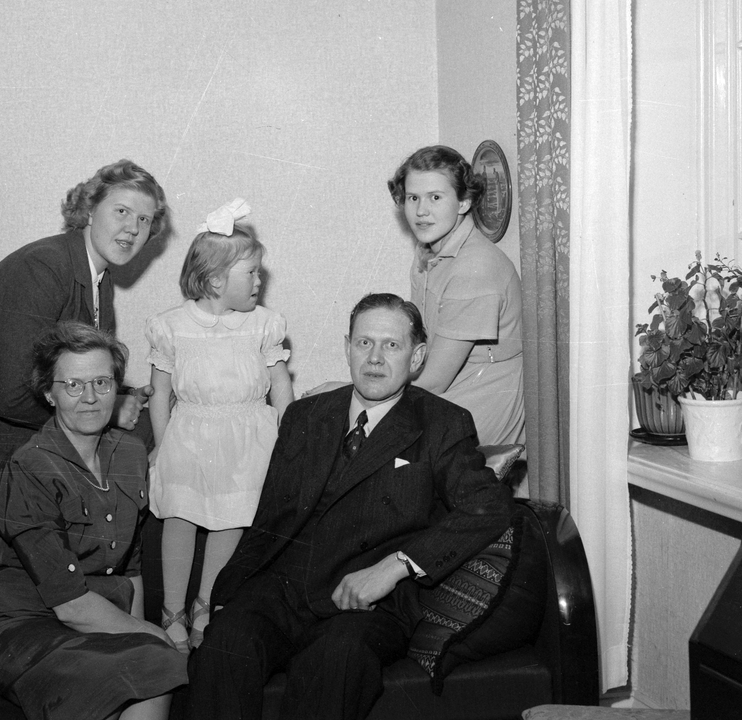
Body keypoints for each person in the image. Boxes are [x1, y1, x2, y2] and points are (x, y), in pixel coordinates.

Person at [184, 293, 514, 720]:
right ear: (347, 348)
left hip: (367, 602)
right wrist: (227, 594)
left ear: (416, 357)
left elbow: (489, 506)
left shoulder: (442, 423)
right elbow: (271, 517)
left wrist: (396, 566)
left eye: (391, 345)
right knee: (225, 641)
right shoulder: (305, 415)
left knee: (335, 659)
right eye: (364, 343)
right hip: (284, 590)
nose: (374, 358)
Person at [0, 322, 188, 720]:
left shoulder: (131, 453)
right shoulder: (30, 467)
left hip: (93, 622)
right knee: (138, 662)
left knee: (154, 662)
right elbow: (70, 605)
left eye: (102, 382)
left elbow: (130, 567)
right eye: (73, 385)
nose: (90, 398)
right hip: (15, 628)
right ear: (50, 393)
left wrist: (142, 637)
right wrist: (154, 635)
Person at [0, 160, 169, 473]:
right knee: (141, 449)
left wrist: (123, 395)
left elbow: (74, 369)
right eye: (122, 211)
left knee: (163, 427)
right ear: (90, 209)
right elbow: (12, 396)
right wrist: (108, 412)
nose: (134, 228)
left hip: (43, 424)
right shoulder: (41, 267)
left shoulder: (100, 276)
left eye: (144, 219)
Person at [145, 199, 294, 654]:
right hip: (189, 435)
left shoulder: (264, 325)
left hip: (247, 438)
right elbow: (159, 393)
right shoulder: (172, 326)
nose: (260, 280)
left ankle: (205, 604)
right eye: (251, 273)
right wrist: (161, 445)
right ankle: (172, 609)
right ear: (214, 280)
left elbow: (280, 387)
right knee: (180, 515)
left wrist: (288, 440)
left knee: (230, 518)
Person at [388, 144, 526, 446]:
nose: (421, 211)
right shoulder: (428, 250)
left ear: (464, 202)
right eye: (413, 197)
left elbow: (435, 381)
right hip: (453, 386)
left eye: (435, 197)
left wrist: (355, 394)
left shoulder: (475, 267)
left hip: (485, 396)